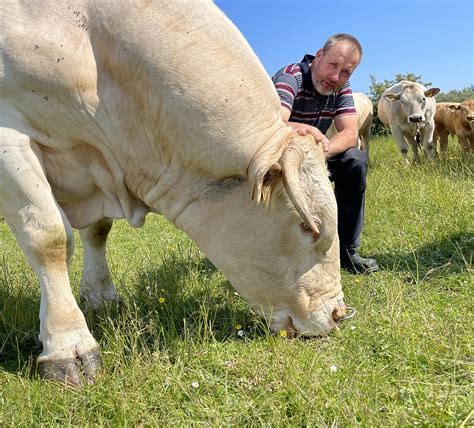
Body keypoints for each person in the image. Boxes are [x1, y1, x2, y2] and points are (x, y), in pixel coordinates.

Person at [272, 33, 378, 274]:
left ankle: (347, 251)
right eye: (333, 65)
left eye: (346, 72)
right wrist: (303, 130)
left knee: (355, 161)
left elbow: (350, 133)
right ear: (318, 56)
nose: (335, 77)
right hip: (278, 155)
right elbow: (274, 123)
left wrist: (321, 149)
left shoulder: (340, 87)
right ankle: (274, 250)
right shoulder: (292, 77)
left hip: (315, 155)